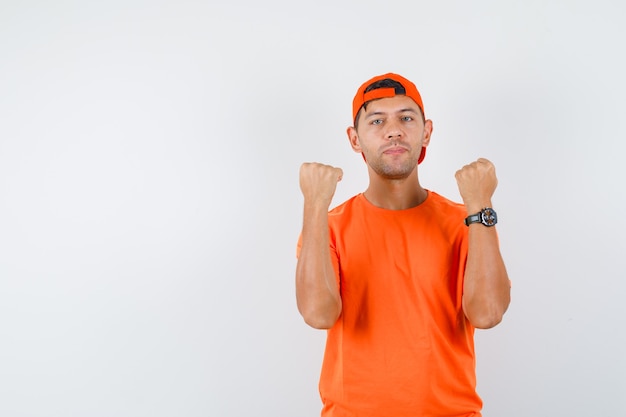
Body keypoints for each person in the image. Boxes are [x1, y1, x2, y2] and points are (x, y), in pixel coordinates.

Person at [295, 73, 511, 417]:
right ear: (354, 139)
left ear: (426, 132)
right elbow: (318, 314)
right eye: (377, 120)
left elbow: (487, 314)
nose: (393, 130)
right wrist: (314, 206)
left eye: (406, 118)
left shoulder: (469, 219)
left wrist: (481, 203)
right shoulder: (329, 224)